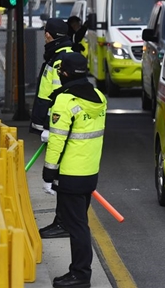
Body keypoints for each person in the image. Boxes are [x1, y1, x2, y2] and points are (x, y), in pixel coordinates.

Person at [42, 52, 107, 288]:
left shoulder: (66, 101)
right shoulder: (99, 97)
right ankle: (80, 272)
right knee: (79, 223)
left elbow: (58, 141)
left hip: (70, 174)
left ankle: (80, 274)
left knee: (76, 226)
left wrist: (49, 173)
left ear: (65, 73)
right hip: (90, 172)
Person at [30, 18, 74, 239]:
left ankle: (64, 223)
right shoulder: (58, 57)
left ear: (49, 35)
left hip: (58, 128)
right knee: (59, 176)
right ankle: (62, 220)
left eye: (45, 32)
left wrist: (49, 126)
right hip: (54, 127)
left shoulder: (61, 60)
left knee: (61, 176)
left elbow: (61, 98)